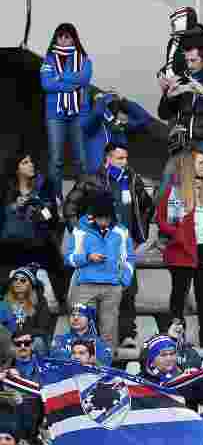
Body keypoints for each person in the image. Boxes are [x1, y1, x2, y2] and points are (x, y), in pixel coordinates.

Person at [156, 149, 203, 347]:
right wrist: (177, 235)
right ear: (189, 166)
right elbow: (161, 219)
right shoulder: (174, 190)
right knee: (179, 294)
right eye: (201, 162)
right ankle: (176, 338)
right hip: (181, 250)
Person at [63, 193, 135, 348]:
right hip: (84, 286)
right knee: (81, 331)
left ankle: (106, 369)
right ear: (93, 216)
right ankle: (80, 368)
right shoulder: (80, 230)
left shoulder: (121, 231)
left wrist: (124, 280)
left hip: (112, 287)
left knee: (109, 333)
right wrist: (88, 257)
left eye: (107, 218)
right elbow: (68, 258)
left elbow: (129, 258)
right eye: (100, 217)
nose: (104, 221)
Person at [0, 153, 67, 307]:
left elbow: (53, 218)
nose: (31, 165)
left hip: (39, 240)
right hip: (12, 242)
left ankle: (56, 300)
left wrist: (40, 208)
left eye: (31, 161)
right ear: (16, 169)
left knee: (51, 258)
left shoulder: (44, 185)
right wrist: (14, 206)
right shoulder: (6, 188)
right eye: (25, 162)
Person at [41, 23, 93, 200]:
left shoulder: (84, 59)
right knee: (56, 160)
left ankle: (82, 199)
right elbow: (46, 84)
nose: (63, 40)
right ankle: (56, 200)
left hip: (79, 113)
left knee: (81, 159)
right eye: (60, 36)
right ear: (56, 38)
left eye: (67, 36)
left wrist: (61, 75)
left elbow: (84, 78)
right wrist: (72, 84)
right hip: (55, 114)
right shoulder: (48, 59)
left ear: (74, 39)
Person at [157, 40, 203, 169]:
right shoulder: (181, 80)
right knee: (179, 184)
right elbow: (163, 114)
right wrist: (168, 97)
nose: (189, 65)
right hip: (183, 143)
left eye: (194, 60)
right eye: (187, 61)